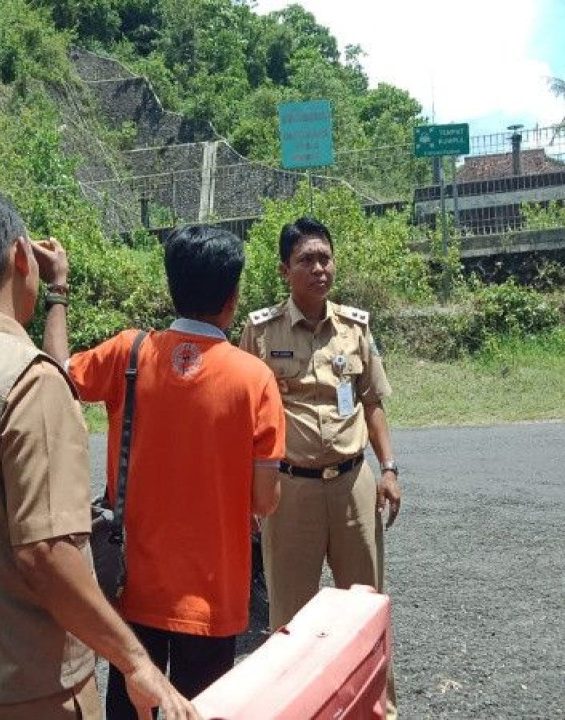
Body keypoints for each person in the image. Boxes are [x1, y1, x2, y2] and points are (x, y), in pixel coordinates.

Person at [0, 190, 196, 720]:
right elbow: (47, 556)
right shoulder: (26, 380)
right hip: (28, 687)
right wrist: (135, 661)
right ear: (20, 258)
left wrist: (56, 291)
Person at [39, 224, 286, 720]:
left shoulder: (127, 352)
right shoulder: (255, 379)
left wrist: (57, 293)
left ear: (171, 287)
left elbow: (54, 372)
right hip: (214, 594)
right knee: (203, 709)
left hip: (133, 586)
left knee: (131, 705)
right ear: (233, 297)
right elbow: (264, 500)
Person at [237, 215, 402, 719]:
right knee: (290, 618)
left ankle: (377, 710)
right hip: (291, 492)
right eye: (306, 259)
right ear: (285, 269)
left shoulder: (356, 327)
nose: (318, 268)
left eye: (324, 257)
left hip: (354, 483)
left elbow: (372, 402)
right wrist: (248, 492)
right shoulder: (259, 331)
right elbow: (243, 417)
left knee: (366, 607)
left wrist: (389, 467)